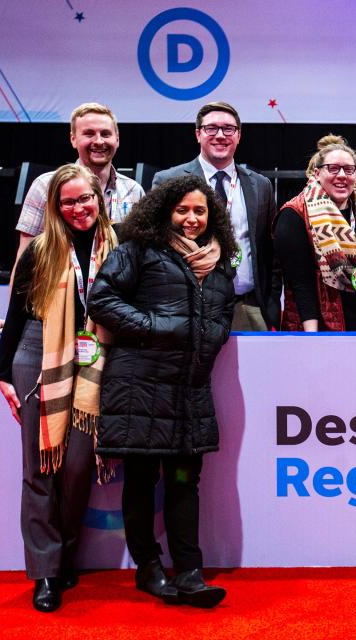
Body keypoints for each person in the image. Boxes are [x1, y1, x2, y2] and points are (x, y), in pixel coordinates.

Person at [87, 175, 237, 608]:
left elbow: (222, 313)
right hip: (140, 385)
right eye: (182, 210)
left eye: (200, 211)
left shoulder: (219, 263)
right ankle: (148, 568)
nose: (192, 219)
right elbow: (102, 299)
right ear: (164, 212)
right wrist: (154, 327)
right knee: (140, 481)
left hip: (189, 390)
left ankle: (190, 573)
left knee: (184, 481)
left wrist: (213, 334)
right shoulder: (139, 250)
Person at [0, 164, 119, 612]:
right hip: (37, 353)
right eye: (68, 202)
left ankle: (65, 553)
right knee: (39, 469)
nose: (78, 208)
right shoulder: (40, 250)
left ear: (99, 198)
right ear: (55, 207)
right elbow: (16, 312)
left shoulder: (120, 249)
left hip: (95, 359)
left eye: (85, 198)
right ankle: (45, 572)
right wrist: (3, 372)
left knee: (78, 468)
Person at [0, 102, 142, 334]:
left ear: (117, 139)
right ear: (73, 139)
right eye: (88, 133)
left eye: (106, 133)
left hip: (116, 318)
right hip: (56, 317)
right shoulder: (44, 186)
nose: (98, 141)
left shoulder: (135, 191)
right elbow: (24, 258)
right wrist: (12, 318)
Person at [152, 101, 280, 330]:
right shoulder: (168, 181)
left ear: (239, 136)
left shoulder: (261, 185)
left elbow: (271, 253)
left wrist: (269, 306)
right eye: (211, 128)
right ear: (198, 134)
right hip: (190, 309)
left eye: (228, 129)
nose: (220, 135)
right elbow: (155, 249)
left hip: (248, 307)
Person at [274, 135, 356, 331]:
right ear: (316, 173)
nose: (342, 175)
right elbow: (300, 285)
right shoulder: (294, 214)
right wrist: (311, 339)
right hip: (326, 327)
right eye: (333, 168)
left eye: (349, 169)